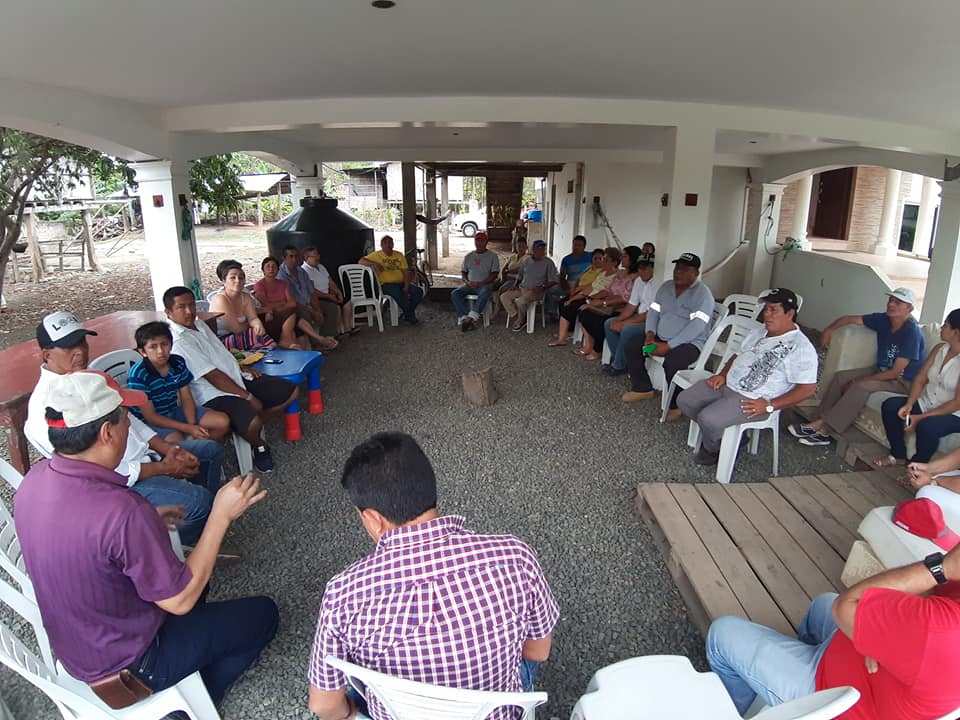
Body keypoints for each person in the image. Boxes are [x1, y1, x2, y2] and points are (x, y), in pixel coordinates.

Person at [16, 370, 278, 706]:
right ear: (107, 432)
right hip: (134, 664)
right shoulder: (121, 511)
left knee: (202, 585)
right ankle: (188, 706)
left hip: (79, 648)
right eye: (125, 418)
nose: (130, 425)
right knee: (264, 614)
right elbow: (179, 600)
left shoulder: (34, 480)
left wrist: (146, 524)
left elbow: (85, 541)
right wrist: (220, 515)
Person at [307, 432, 559, 720]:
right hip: (495, 711)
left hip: (399, 712)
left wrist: (352, 714)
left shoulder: (344, 594)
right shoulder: (515, 557)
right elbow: (538, 652)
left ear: (374, 519)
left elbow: (324, 705)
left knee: (353, 685)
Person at [25, 311, 218, 545]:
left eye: (82, 342)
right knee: (200, 502)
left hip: (146, 457)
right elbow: (92, 471)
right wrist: (163, 468)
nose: (81, 351)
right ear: (46, 354)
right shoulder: (45, 406)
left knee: (209, 451)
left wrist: (167, 448)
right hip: (118, 484)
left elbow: (130, 419)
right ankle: (167, 543)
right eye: (68, 346)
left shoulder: (89, 378)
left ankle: (192, 529)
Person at [706, 542, 960, 719]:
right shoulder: (940, 625)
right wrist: (879, 640)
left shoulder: (942, 629)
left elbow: (846, 605)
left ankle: (735, 711)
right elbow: (923, 588)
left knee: (723, 633)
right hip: (869, 674)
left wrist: (942, 567)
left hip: (831, 701)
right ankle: (774, 676)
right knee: (822, 604)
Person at [677, 289, 818, 465]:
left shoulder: (800, 347)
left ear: (790, 314)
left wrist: (769, 406)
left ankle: (714, 448)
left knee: (708, 419)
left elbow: (807, 389)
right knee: (685, 400)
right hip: (727, 384)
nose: (767, 314)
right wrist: (722, 374)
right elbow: (737, 355)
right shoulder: (759, 331)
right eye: (765, 309)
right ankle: (723, 435)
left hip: (753, 400)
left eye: (773, 310)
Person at [165, 287, 299, 473]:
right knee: (252, 421)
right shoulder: (178, 341)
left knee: (290, 391)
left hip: (235, 377)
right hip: (212, 392)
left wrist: (241, 367)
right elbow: (212, 376)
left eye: (191, 305)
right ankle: (259, 444)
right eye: (181, 307)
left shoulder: (199, 324)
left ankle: (243, 428)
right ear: (169, 312)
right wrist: (247, 396)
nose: (189, 311)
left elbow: (220, 353)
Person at [789, 288, 926, 447]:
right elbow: (849, 319)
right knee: (841, 377)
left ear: (909, 308)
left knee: (860, 386)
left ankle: (826, 429)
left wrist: (860, 379)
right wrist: (829, 330)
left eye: (898, 302)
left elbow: (895, 373)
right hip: (881, 369)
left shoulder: (911, 333)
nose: (891, 304)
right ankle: (818, 419)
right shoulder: (884, 320)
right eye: (891, 300)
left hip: (902, 381)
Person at [622, 253, 715, 406]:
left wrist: (669, 346)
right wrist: (650, 334)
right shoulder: (666, 287)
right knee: (633, 346)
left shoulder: (703, 294)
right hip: (660, 339)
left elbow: (697, 326)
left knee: (673, 362)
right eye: (677, 268)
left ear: (696, 273)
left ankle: (676, 404)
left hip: (688, 344)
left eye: (685, 270)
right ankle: (642, 388)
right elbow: (653, 312)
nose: (678, 272)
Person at [874, 308, 960, 470]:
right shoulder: (939, 349)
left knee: (927, 426)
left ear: (956, 333)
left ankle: (917, 469)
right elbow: (920, 379)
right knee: (891, 406)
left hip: (954, 414)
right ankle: (898, 455)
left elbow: (957, 403)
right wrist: (909, 404)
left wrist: (922, 417)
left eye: (946, 325)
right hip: (927, 402)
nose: (942, 327)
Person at [127, 321, 231, 443]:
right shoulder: (138, 374)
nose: (160, 351)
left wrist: (192, 425)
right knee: (178, 441)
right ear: (143, 351)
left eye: (164, 344)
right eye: (153, 347)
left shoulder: (177, 362)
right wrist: (188, 428)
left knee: (222, 422)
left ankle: (200, 447)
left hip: (173, 410)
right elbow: (151, 417)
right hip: (150, 422)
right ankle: (196, 449)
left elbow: (186, 397)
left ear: (171, 345)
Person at [575, 245, 642, 361]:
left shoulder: (636, 278)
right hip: (609, 305)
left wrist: (603, 303)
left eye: (625, 256)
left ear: (633, 259)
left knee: (601, 322)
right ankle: (594, 346)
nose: (622, 258)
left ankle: (598, 349)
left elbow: (625, 299)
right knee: (583, 312)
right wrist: (592, 298)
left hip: (622, 310)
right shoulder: (620, 273)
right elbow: (607, 289)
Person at [547, 247, 618, 347]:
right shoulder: (602, 273)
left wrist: (589, 298)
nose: (602, 262)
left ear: (614, 262)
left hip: (599, 301)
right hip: (588, 296)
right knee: (567, 303)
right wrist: (575, 297)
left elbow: (606, 292)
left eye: (605, 260)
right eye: (603, 259)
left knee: (573, 307)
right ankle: (562, 336)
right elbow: (591, 287)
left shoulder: (616, 276)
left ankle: (567, 336)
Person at [602, 253, 657, 376]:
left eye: (645, 268)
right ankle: (621, 361)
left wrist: (624, 323)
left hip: (651, 322)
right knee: (609, 323)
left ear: (653, 268)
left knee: (627, 329)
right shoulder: (638, 281)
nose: (641, 271)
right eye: (639, 268)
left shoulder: (658, 284)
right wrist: (619, 320)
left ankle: (618, 365)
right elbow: (632, 305)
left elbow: (650, 314)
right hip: (639, 316)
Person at [278, 245, 339, 349]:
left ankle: (327, 338)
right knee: (306, 315)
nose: (294, 259)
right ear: (284, 258)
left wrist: (317, 309)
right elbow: (293, 302)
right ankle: (316, 344)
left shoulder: (301, 272)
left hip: (308, 303)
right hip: (296, 307)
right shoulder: (281, 276)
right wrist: (313, 311)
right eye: (291, 256)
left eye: (296, 256)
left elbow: (312, 292)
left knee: (331, 307)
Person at [209, 260, 277, 351]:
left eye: (241, 278)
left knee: (259, 333)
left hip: (242, 335)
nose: (237, 281)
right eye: (233, 278)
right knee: (254, 335)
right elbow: (236, 329)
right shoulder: (220, 299)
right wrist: (251, 326)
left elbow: (253, 318)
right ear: (224, 281)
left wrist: (257, 324)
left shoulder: (245, 297)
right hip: (222, 340)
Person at [359, 235, 424, 325]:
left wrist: (406, 286)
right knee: (398, 293)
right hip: (386, 284)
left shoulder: (399, 255)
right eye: (385, 243)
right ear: (381, 245)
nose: (388, 245)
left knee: (418, 292)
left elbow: (406, 273)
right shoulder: (376, 255)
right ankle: (410, 316)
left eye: (390, 242)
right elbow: (361, 261)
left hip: (401, 282)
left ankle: (407, 314)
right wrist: (375, 263)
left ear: (393, 244)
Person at [499, 240, 559, 332]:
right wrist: (515, 285)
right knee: (504, 297)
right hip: (522, 288)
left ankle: (520, 320)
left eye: (543, 249)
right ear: (533, 250)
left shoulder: (548, 262)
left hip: (536, 291)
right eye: (539, 249)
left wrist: (543, 286)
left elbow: (553, 280)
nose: (541, 251)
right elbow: (520, 276)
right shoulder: (527, 261)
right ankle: (519, 317)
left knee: (520, 302)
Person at [452, 233, 500, 331]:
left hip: (484, 285)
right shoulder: (468, 256)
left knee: (485, 291)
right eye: (477, 240)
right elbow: (463, 272)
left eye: (482, 240)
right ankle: (464, 317)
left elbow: (494, 274)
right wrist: (467, 282)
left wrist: (481, 283)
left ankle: (471, 317)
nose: (479, 243)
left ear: (486, 242)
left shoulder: (493, 256)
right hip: (470, 284)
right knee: (455, 293)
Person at [301, 246, 352, 337]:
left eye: (317, 255)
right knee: (335, 307)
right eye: (314, 256)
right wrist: (328, 296)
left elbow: (330, 281)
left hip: (328, 293)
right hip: (318, 298)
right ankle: (336, 333)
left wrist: (338, 292)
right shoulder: (304, 270)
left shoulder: (321, 266)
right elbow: (312, 290)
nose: (317, 257)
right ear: (306, 258)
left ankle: (347, 329)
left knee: (347, 302)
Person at [547, 234, 591, 318]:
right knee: (550, 289)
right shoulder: (566, 259)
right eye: (575, 245)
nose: (576, 247)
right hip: (570, 284)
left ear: (584, 246)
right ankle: (553, 313)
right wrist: (567, 289)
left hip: (586, 284)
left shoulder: (591, 256)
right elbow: (562, 277)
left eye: (579, 245)